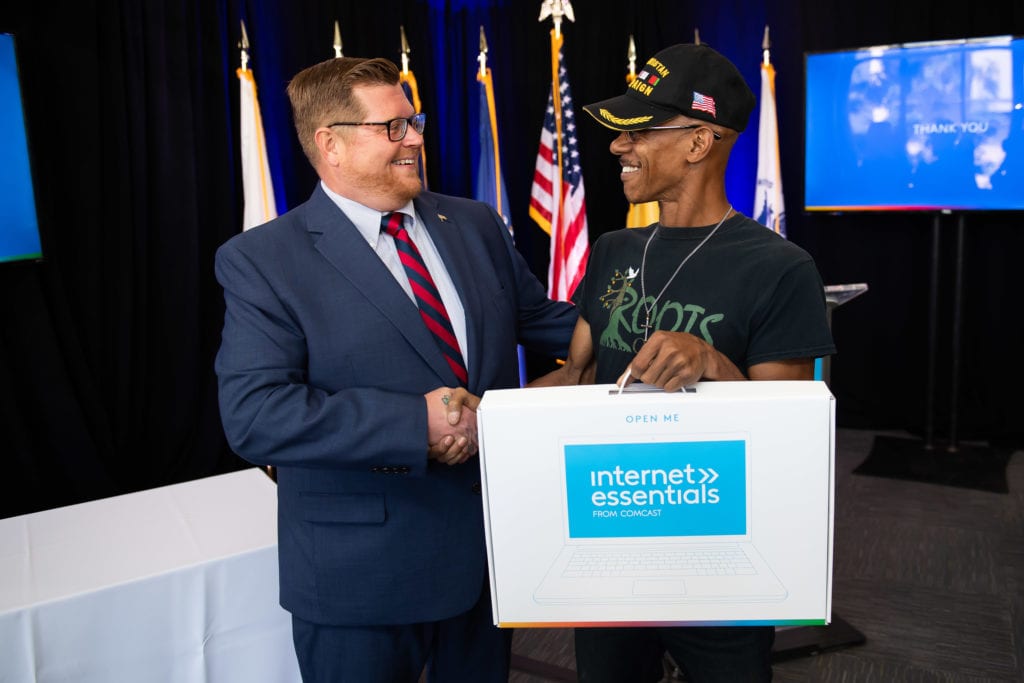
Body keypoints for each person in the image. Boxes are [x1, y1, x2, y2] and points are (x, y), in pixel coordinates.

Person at [214, 56, 577, 682]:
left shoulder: (474, 223)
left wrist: (685, 331)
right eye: (394, 127)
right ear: (330, 143)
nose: (415, 138)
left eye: (415, 121)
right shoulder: (263, 259)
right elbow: (255, 414)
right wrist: (416, 422)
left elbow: (547, 322)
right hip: (359, 584)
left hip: (485, 566)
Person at [533, 43, 837, 682]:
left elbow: (787, 434)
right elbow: (581, 375)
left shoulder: (780, 268)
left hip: (720, 557)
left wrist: (711, 362)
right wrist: (493, 411)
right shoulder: (615, 248)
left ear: (699, 142)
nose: (618, 147)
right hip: (610, 539)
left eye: (639, 132)